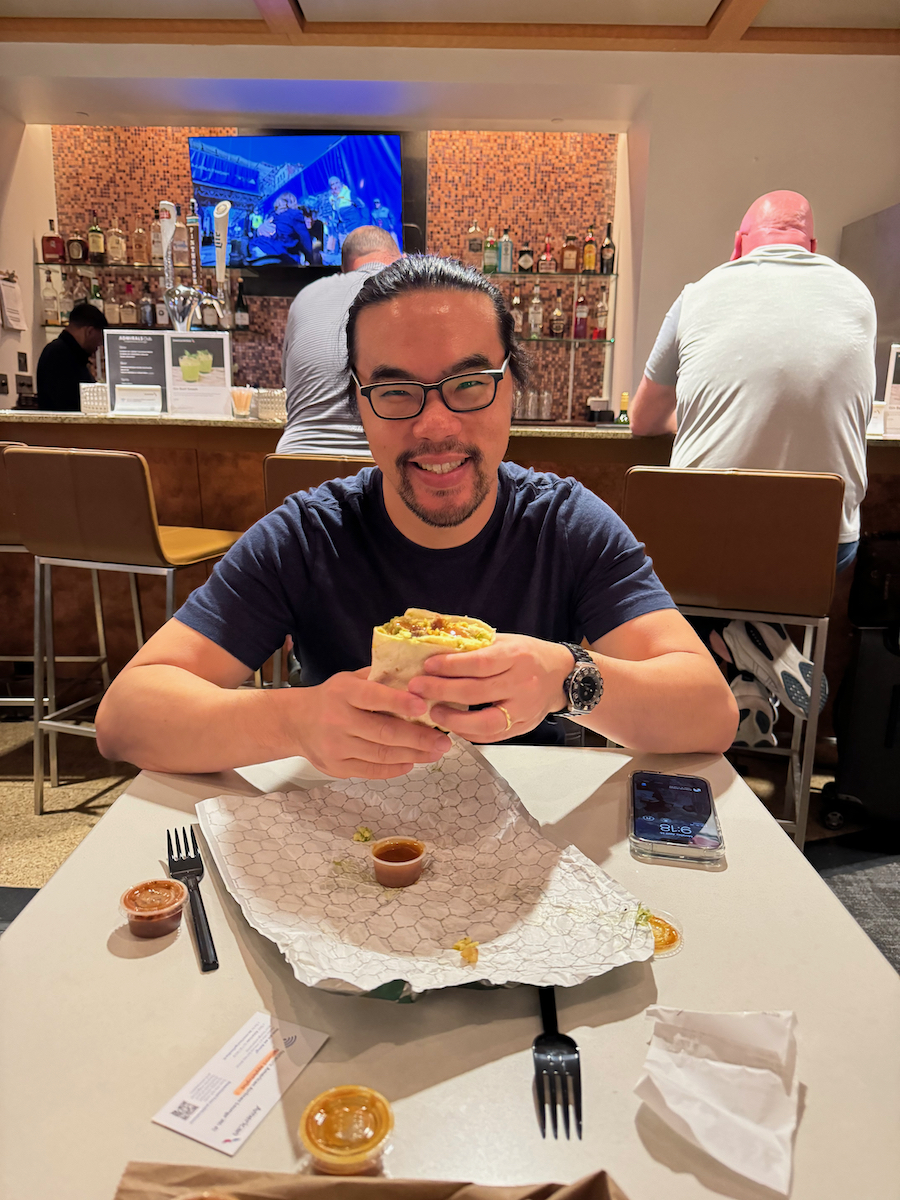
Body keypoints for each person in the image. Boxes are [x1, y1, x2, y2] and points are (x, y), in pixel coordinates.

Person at [95, 255, 738, 780]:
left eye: (469, 384)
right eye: (396, 391)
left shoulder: (566, 526)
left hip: (529, 844)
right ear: (359, 403)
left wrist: (565, 679)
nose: (436, 426)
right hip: (346, 844)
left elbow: (709, 714)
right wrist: (295, 720)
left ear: (511, 388)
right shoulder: (307, 536)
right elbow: (125, 718)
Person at [630, 190, 877, 741]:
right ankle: (752, 667)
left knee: (687, 576)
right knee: (747, 576)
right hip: (818, 549)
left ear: (739, 245)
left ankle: (734, 670)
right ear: (812, 246)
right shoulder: (857, 294)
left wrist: (699, 418)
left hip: (700, 548)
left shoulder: (700, 292)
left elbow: (642, 421)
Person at [276, 225, 402, 456]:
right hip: (379, 462)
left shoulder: (307, 295)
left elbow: (288, 381)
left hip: (297, 459)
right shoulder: (409, 291)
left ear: (344, 268)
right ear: (400, 258)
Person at [36, 302, 107, 412]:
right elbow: (68, 405)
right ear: (89, 332)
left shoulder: (62, 352)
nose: (99, 346)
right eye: (100, 340)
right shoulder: (60, 355)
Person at [249, 193, 322, 265]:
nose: (309, 219)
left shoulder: (275, 214)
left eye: (313, 215)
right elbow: (304, 240)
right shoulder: (294, 216)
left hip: (257, 247)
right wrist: (309, 260)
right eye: (305, 215)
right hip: (274, 253)